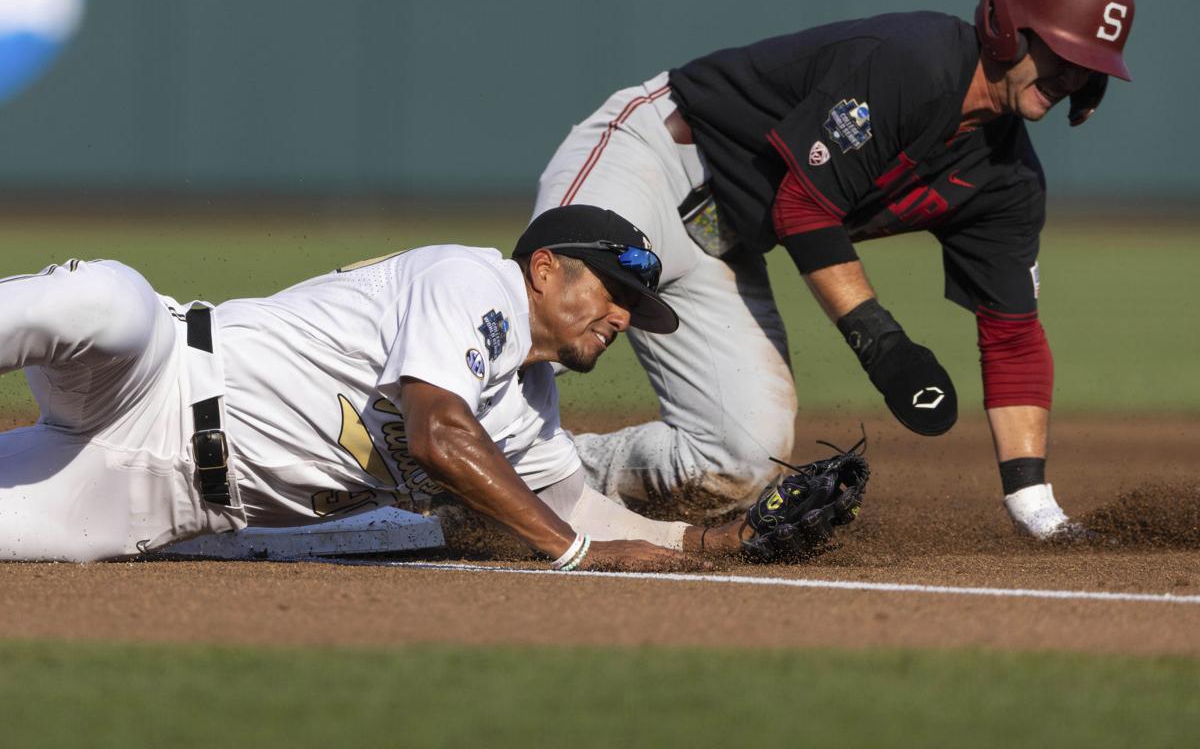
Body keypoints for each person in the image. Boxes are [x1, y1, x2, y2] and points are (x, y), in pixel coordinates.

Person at [532, 0, 1134, 538]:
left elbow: (1013, 337)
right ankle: (442, 442)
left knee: (739, 458)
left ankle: (537, 477)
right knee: (564, 310)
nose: (1072, 77)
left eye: (1090, 67)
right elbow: (804, 207)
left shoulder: (1009, 183)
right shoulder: (914, 60)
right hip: (654, 160)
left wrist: (1037, 509)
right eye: (1063, 51)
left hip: (724, 238)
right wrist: (884, 345)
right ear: (1008, 25)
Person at [0, 204, 843, 566]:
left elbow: (579, 511)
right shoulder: (472, 283)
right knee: (105, 300)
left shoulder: (527, 408)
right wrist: (574, 553)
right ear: (544, 270)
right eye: (615, 293)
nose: (622, 317)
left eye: (636, 308)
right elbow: (437, 435)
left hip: (150, 503)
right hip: (158, 375)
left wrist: (713, 544)